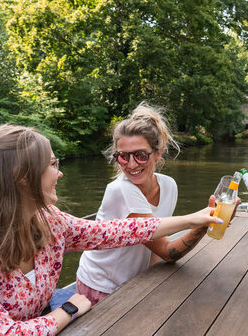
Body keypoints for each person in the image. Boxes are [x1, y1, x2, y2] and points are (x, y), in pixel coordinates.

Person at [0, 124, 220, 336]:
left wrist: (194, 218)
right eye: (53, 165)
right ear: (22, 177)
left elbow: (116, 231)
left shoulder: (48, 223)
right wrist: (67, 309)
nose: (60, 174)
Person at [76, 103, 228, 305]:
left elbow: (158, 253)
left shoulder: (169, 185)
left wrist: (152, 287)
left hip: (132, 281)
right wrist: (200, 222)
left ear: (157, 153)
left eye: (140, 155)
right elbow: (167, 251)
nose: (131, 165)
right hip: (101, 287)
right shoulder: (121, 190)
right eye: (123, 156)